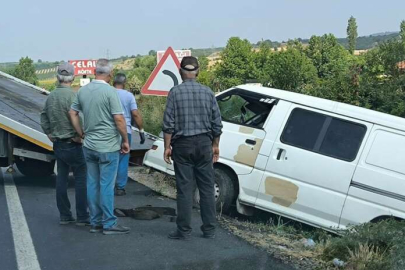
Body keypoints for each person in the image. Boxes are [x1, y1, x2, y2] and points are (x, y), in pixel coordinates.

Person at [163, 56, 223, 240]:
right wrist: (215, 145)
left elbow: (168, 123)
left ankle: (184, 230)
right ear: (198, 72)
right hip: (204, 144)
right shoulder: (208, 92)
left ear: (181, 72)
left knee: (184, 189)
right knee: (206, 188)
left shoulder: (174, 92)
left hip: (182, 146)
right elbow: (217, 123)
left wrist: (167, 147)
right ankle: (209, 230)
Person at [69, 59, 130, 235]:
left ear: (95, 72)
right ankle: (109, 223)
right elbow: (119, 119)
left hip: (89, 146)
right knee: (106, 185)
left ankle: (95, 222)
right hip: (108, 146)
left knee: (92, 183)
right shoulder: (111, 92)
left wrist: (81, 132)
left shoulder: (83, 90)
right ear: (110, 75)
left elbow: (72, 113)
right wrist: (125, 140)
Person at [40, 63, 89, 226]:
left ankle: (65, 215)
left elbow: (43, 116)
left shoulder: (51, 96)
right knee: (81, 178)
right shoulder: (74, 96)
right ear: (73, 77)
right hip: (73, 144)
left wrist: (49, 133)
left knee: (61, 178)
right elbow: (79, 117)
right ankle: (82, 216)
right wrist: (79, 135)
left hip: (58, 144)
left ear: (57, 78)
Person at [113, 73, 145, 196]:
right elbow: (135, 114)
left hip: (110, 131)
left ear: (113, 82)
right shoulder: (128, 96)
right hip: (125, 130)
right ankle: (120, 187)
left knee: (110, 158)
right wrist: (141, 130)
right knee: (123, 159)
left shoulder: (107, 93)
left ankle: (107, 186)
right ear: (124, 83)